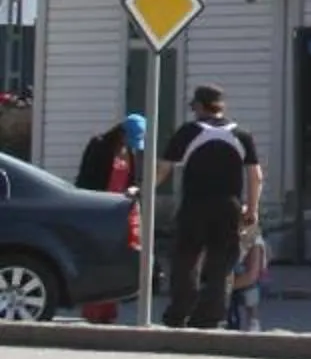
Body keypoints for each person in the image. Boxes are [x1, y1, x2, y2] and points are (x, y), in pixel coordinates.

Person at [159, 85, 260, 331]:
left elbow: (163, 169)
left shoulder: (189, 132)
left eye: (194, 106)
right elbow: (255, 175)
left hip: (195, 204)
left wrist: (144, 190)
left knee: (185, 258)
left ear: (201, 107)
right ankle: (211, 315)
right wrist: (252, 209)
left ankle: (179, 312)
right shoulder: (242, 135)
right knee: (222, 262)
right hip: (229, 205)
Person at [76, 113, 146, 326]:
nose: (129, 145)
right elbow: (86, 177)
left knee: (114, 259)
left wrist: (134, 189)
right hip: (98, 208)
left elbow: (135, 178)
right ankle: (92, 309)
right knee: (97, 257)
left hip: (121, 210)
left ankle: (108, 309)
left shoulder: (132, 153)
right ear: (121, 132)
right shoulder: (99, 145)